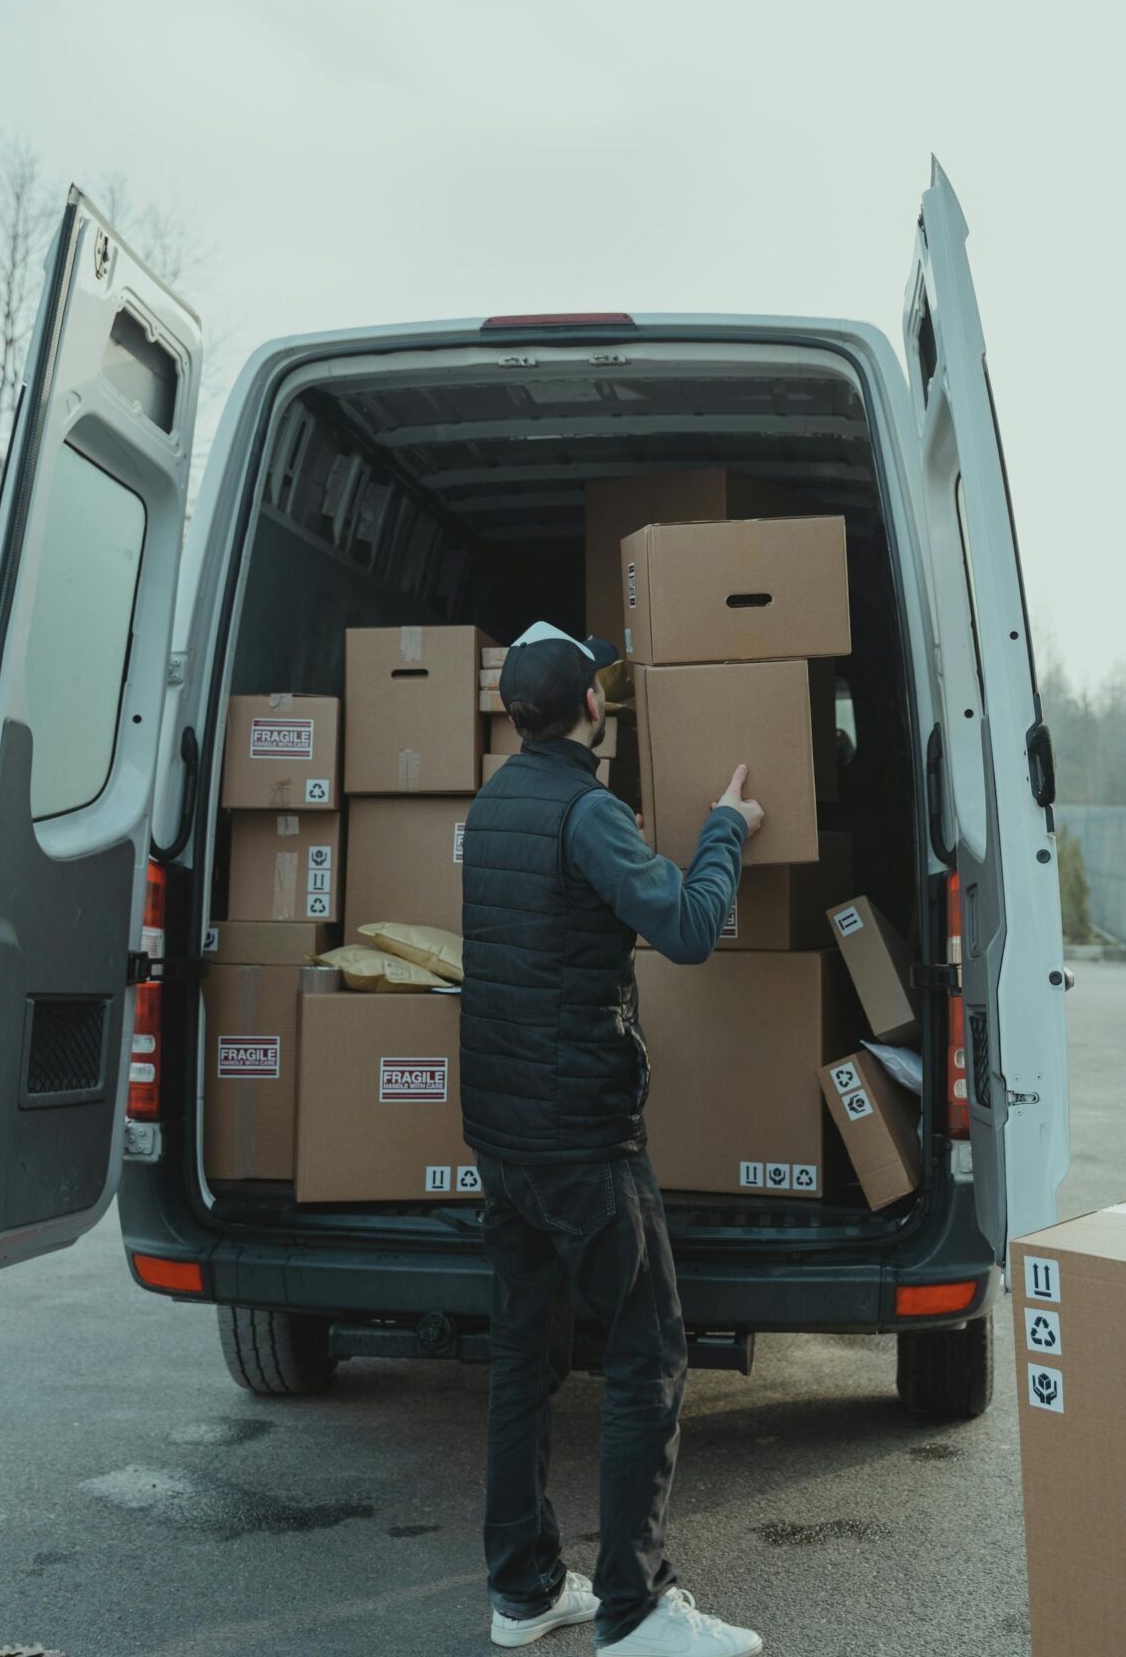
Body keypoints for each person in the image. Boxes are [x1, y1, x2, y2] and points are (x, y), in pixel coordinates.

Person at [461, 622, 766, 1656]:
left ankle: (525, 1588)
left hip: (502, 1132)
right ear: (593, 706)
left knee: (522, 1354)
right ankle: (635, 1610)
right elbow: (684, 927)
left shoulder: (495, 799)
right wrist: (724, 826)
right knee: (647, 1354)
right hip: (581, 1137)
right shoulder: (586, 812)